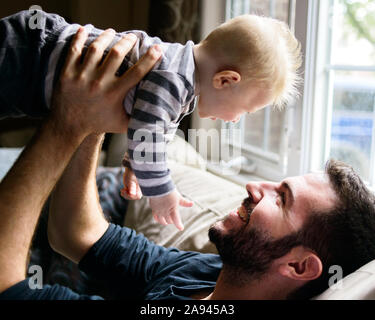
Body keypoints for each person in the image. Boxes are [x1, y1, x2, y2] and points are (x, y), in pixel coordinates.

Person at [1, 26, 375, 301]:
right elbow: (76, 235)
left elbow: (7, 290)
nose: (253, 186)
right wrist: (94, 120)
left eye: (280, 199)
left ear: (298, 267)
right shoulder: (210, 273)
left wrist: (69, 123)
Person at [0, 9, 302, 231]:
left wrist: (135, 165)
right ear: (225, 80)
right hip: (31, 53)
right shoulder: (173, 78)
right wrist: (162, 193)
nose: (236, 120)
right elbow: (148, 133)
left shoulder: (181, 86)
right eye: (245, 110)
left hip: (35, 80)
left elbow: (148, 130)